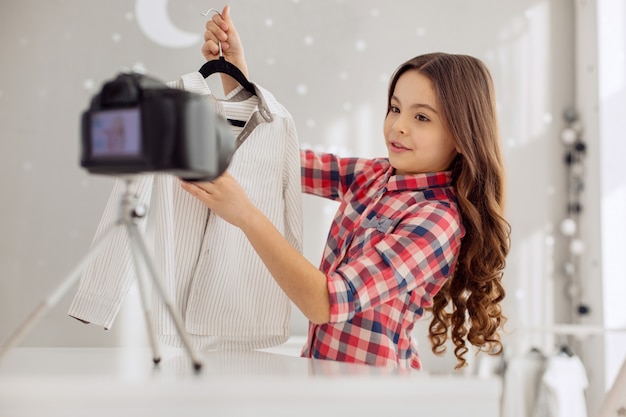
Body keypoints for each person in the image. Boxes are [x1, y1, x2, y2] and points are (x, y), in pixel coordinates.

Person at [182, 5, 511, 370]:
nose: (397, 126)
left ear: (462, 136)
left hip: (373, 396)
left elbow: (324, 302)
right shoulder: (373, 177)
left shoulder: (437, 222)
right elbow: (274, 157)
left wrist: (246, 216)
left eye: (421, 117)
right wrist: (235, 73)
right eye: (395, 108)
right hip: (325, 380)